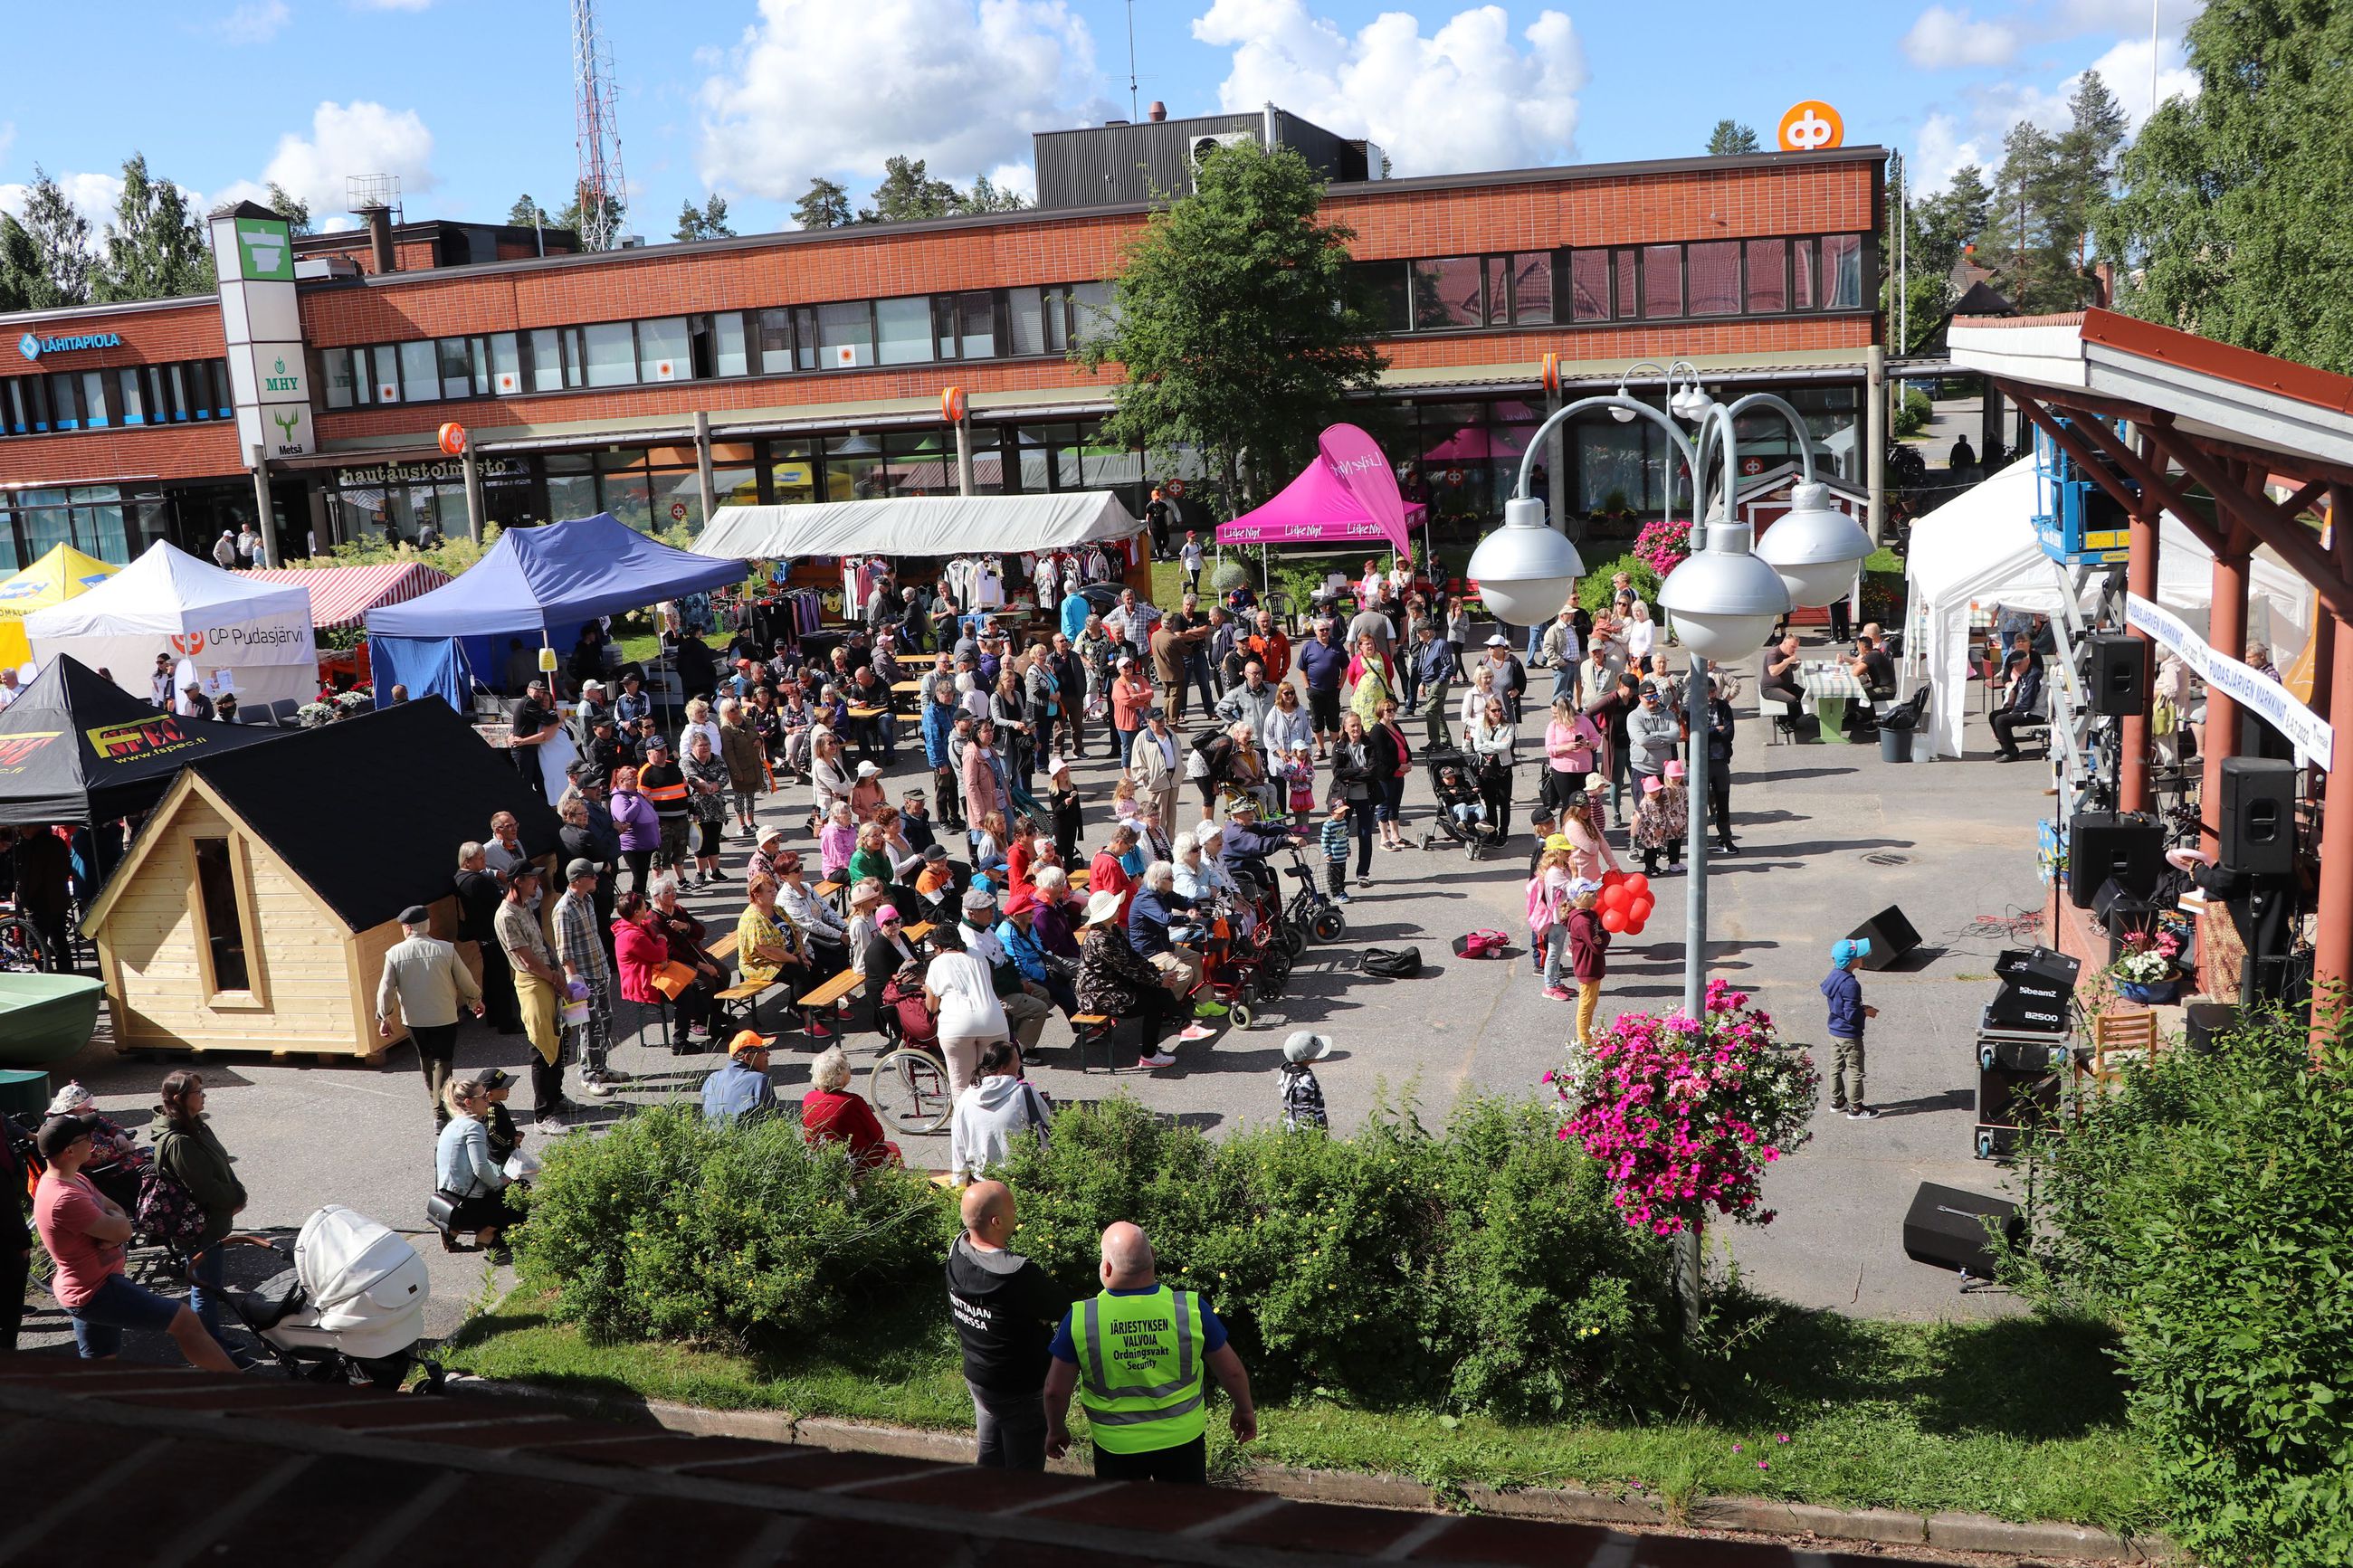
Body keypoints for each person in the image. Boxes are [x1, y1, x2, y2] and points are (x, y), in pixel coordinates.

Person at [1043, 1222, 1256, 1482]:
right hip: (1183, 1440)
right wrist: (1244, 1410)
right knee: (1187, 1517)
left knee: (1126, 1520)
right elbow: (1231, 1371)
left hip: (1116, 1446)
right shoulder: (1189, 1308)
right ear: (1153, 1254)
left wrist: (1056, 1429)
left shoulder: (1082, 1317)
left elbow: (1055, 1390)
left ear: (1106, 1268)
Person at [34, 1114, 238, 1370]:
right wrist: (114, 1231)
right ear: (69, 1150)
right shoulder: (65, 1197)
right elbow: (124, 1231)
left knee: (101, 1365)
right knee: (185, 1321)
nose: (93, 1143)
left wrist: (112, 1230)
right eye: (87, 1139)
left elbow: (116, 1210)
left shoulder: (75, 1178)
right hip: (95, 1291)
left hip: (87, 1288)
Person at [947, 1179, 1066, 1472]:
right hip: (1020, 1390)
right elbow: (1063, 1308)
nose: (1017, 1211)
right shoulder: (1017, 1274)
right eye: (1012, 1207)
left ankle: (982, 1511)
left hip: (979, 1379)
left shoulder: (957, 1254)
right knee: (1022, 1475)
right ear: (997, 1221)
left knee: (990, 1458)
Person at [147, 1070, 245, 1349]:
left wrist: (237, 1196)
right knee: (204, 1288)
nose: (203, 1097)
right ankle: (209, 1347)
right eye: (198, 1092)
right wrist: (234, 1198)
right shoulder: (179, 1140)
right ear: (179, 1099)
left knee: (209, 1285)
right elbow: (204, 1187)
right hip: (200, 1227)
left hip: (213, 1218)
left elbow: (221, 1165)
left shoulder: (196, 1124)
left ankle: (212, 1341)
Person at [376, 904, 485, 1126]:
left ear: (407, 928)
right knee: (443, 1062)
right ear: (427, 925)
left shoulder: (394, 954)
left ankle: (437, 1104)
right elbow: (465, 980)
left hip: (414, 1020)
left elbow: (386, 988)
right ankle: (441, 1111)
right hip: (444, 1016)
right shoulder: (446, 949)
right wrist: (475, 1000)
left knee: (426, 1060)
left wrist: (384, 1017)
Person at [497, 863, 572, 1133]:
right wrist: (555, 979)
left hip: (549, 978)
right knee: (542, 1047)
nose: (537, 884)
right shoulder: (506, 915)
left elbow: (541, 943)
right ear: (518, 881)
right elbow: (527, 961)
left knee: (561, 1038)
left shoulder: (524, 907)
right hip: (534, 983)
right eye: (532, 880)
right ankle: (543, 1115)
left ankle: (557, 1097)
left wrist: (559, 974)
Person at [1077, 886, 1185, 1068]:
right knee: (1154, 1003)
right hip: (1098, 996)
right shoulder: (1101, 939)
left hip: (1112, 987)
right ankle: (1151, 1053)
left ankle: (1184, 1026)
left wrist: (1158, 975)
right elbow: (1128, 968)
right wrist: (1159, 979)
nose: (1119, 908)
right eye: (1115, 907)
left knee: (1156, 990)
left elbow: (1134, 958)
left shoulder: (1112, 930)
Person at [554, 859, 624, 1098]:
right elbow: (564, 952)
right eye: (592, 876)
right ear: (577, 880)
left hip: (600, 971)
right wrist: (575, 983)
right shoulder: (564, 908)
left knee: (606, 1021)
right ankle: (588, 1075)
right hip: (584, 980)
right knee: (591, 1027)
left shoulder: (588, 899)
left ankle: (601, 1068)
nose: (596, 878)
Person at [435, 1077, 522, 1258]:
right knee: (520, 1190)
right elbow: (480, 1168)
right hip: (467, 1205)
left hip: (448, 1198)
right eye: (483, 1098)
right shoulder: (473, 1127)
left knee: (503, 1181)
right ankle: (487, 1232)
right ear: (469, 1102)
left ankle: (454, 1230)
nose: (488, 1101)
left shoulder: (451, 1126)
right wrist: (501, 1183)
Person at [949, 1040, 1053, 1183]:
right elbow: (1049, 1125)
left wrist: (959, 1184)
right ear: (1004, 1068)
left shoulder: (965, 1099)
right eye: (1017, 1060)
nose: (1020, 1064)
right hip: (1021, 1179)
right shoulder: (1024, 1094)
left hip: (981, 1182)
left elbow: (958, 1145)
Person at [925, 921, 1008, 1099]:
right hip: (993, 1021)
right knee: (993, 1082)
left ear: (938, 947)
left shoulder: (937, 963)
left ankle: (965, 1126)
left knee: (961, 1087)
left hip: (957, 1026)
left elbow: (932, 1007)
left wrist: (926, 990)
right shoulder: (979, 957)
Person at [454, 841, 519, 1033]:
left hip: (482, 934)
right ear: (467, 861)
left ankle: (493, 1017)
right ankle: (506, 1022)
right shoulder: (476, 882)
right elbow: (500, 899)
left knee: (491, 975)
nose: (484, 861)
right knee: (500, 977)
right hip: (491, 932)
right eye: (480, 858)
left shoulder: (460, 878)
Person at [1824, 937, 1879, 1118]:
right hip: (1849, 1034)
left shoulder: (1834, 976)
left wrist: (1859, 1008)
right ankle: (1856, 1108)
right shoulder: (1851, 984)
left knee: (1835, 1067)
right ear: (1851, 961)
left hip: (1835, 1031)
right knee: (1855, 1070)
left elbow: (1841, 1006)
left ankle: (1837, 1101)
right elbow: (1851, 1015)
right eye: (1859, 954)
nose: (1864, 956)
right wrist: (1866, 1012)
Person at [703, 1029, 782, 1123]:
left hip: (712, 1136)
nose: (768, 1054)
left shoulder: (712, 1078)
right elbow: (776, 1118)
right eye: (763, 1050)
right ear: (748, 1057)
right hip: (742, 1136)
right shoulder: (758, 1080)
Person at [1990, 633, 2045, 762]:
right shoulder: (2024, 673)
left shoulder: (2033, 676)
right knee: (1994, 715)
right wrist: (2009, 705)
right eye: (2014, 665)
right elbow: (2016, 689)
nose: (2016, 667)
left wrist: (2014, 711)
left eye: (2019, 664)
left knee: (2001, 720)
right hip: (2025, 709)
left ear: (2027, 661)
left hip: (2033, 713)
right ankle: (2005, 746)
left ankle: (2012, 752)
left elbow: (2028, 702)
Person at [1567, 879, 1609, 1042]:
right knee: (1586, 1005)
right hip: (1588, 966)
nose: (1596, 895)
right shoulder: (1582, 921)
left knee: (1592, 1003)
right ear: (1582, 897)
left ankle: (1589, 1033)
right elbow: (1597, 946)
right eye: (1592, 893)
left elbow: (1602, 933)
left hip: (1594, 965)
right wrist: (1604, 936)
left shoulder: (1590, 914)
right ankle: (1585, 1039)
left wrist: (1603, 935)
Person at [1297, 619, 1348, 756]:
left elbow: (1345, 667)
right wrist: (1307, 687)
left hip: (1333, 690)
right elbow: (1302, 668)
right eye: (1322, 630)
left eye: (1327, 629)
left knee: (1333, 721)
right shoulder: (1308, 646)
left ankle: (1335, 749)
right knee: (1317, 722)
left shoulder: (1337, 645)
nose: (1325, 632)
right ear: (1315, 631)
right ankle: (1321, 749)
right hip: (1315, 690)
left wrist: (1340, 685)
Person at [1130, 705, 1183, 832]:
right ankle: (1158, 845)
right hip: (1157, 784)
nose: (1161, 723)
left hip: (1173, 780)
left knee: (1171, 817)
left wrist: (1181, 770)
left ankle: (1170, 843)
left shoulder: (1170, 733)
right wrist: (1148, 776)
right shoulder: (1142, 738)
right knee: (1156, 818)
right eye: (1157, 720)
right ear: (1148, 722)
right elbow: (1136, 764)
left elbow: (1179, 752)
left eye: (1162, 720)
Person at [1702, 676, 1739, 855]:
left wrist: (1710, 732)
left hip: (1721, 759)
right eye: (1708, 692)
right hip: (1702, 762)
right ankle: (1700, 839)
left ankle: (1725, 838)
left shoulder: (1724, 706)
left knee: (1723, 801)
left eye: (1713, 691)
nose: (1711, 695)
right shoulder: (1696, 708)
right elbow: (1696, 733)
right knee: (1700, 802)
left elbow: (1730, 733)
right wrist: (1715, 730)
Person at [1279, 1030, 1330, 1131]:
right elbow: (1305, 1117)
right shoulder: (1305, 1082)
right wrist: (1314, 1138)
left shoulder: (1287, 1071)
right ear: (1306, 1059)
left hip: (1291, 1125)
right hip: (1309, 1133)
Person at [1758, 635, 1805, 709]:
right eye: (1792, 647)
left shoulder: (1787, 653)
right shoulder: (1773, 654)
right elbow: (1773, 672)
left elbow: (1790, 668)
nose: (1794, 650)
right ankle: (1783, 720)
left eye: (1796, 648)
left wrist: (1796, 664)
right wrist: (1788, 661)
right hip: (1770, 688)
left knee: (1807, 695)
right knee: (1792, 700)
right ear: (1784, 643)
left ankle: (1792, 717)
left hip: (1786, 686)